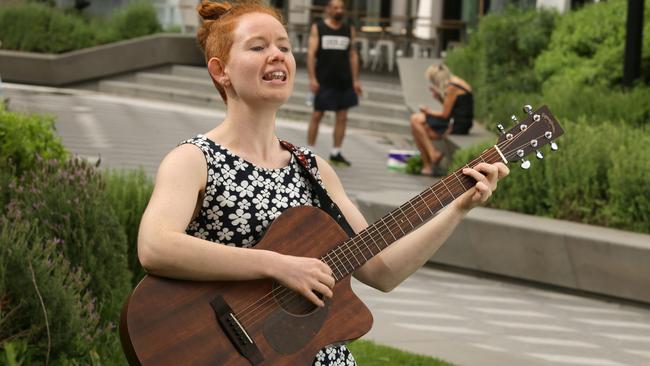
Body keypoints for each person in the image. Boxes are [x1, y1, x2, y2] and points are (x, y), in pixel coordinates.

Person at [136, 1, 508, 365]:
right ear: (221, 71)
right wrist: (278, 266)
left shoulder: (314, 170)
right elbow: (155, 246)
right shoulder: (194, 160)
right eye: (258, 46)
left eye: (284, 46)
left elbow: (382, 270)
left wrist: (459, 207)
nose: (278, 54)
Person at [306, 0, 362, 167]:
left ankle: (336, 152)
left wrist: (356, 80)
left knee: (343, 116)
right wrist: (312, 78)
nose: (339, 10)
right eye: (335, 7)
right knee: (317, 115)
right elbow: (311, 54)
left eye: (342, 8)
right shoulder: (318, 28)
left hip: (344, 80)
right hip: (324, 79)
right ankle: (309, 152)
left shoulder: (348, 29)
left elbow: (352, 55)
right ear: (328, 9)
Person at [410, 63, 474, 176]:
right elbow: (452, 107)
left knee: (416, 121)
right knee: (418, 127)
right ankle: (429, 161)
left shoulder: (452, 86)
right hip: (456, 120)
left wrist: (427, 111)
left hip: (458, 124)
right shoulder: (454, 81)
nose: (434, 84)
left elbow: (445, 114)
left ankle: (430, 160)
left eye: (433, 81)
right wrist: (439, 97)